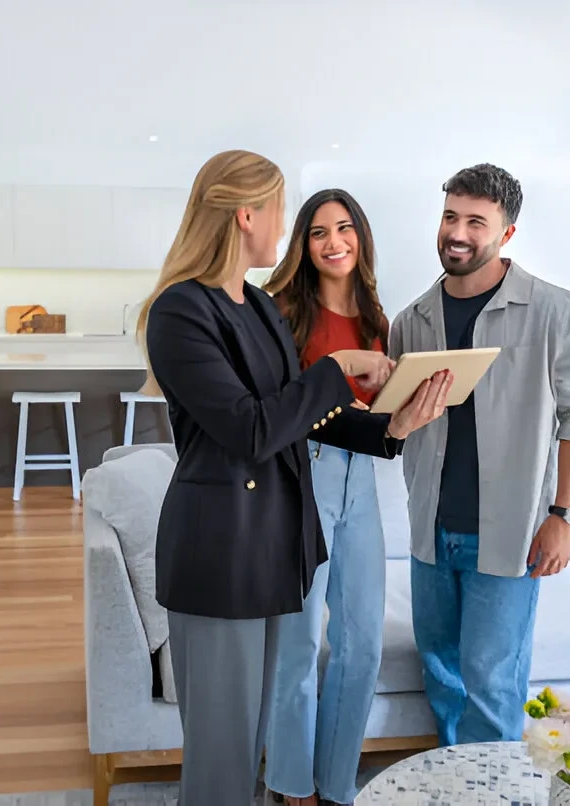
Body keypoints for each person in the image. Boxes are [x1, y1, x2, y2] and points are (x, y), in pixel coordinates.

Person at [140, 150, 452, 806]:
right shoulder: (180, 311)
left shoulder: (254, 305)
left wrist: (390, 429)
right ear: (246, 213)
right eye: (282, 210)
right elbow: (250, 429)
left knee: (253, 735)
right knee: (222, 763)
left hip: (276, 545)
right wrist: (335, 367)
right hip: (222, 552)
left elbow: (301, 419)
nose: (285, 226)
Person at [388, 163, 570, 747]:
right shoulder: (412, 320)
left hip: (508, 535)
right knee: (439, 673)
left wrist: (564, 516)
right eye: (450, 216)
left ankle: (494, 790)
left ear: (506, 233)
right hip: (430, 531)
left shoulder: (554, 310)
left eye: (476, 222)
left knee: (491, 681)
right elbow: (395, 422)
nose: (458, 233)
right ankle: (456, 781)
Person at [260, 189, 393, 806]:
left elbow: (377, 411)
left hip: (362, 476)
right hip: (302, 475)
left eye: (344, 229)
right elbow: (285, 412)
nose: (333, 242)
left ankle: (338, 784)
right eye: (318, 232)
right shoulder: (282, 311)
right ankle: (292, 785)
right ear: (303, 245)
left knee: (363, 642)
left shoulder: (377, 317)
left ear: (360, 236)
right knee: (299, 640)